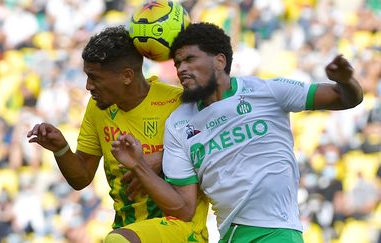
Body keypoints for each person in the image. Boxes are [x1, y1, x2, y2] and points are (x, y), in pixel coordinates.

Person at [110, 22, 364, 243]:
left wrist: (346, 80)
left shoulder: (268, 91)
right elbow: (184, 209)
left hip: (277, 232)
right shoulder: (177, 125)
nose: (181, 69)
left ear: (220, 61)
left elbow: (345, 99)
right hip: (230, 236)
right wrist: (139, 165)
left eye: (189, 59)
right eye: (177, 63)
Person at [27, 26, 209, 242]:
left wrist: (163, 157)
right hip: (128, 230)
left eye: (94, 77)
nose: (87, 86)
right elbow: (81, 178)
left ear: (127, 76)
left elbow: (212, 149)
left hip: (181, 230)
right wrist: (61, 149)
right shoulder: (97, 108)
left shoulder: (178, 103)